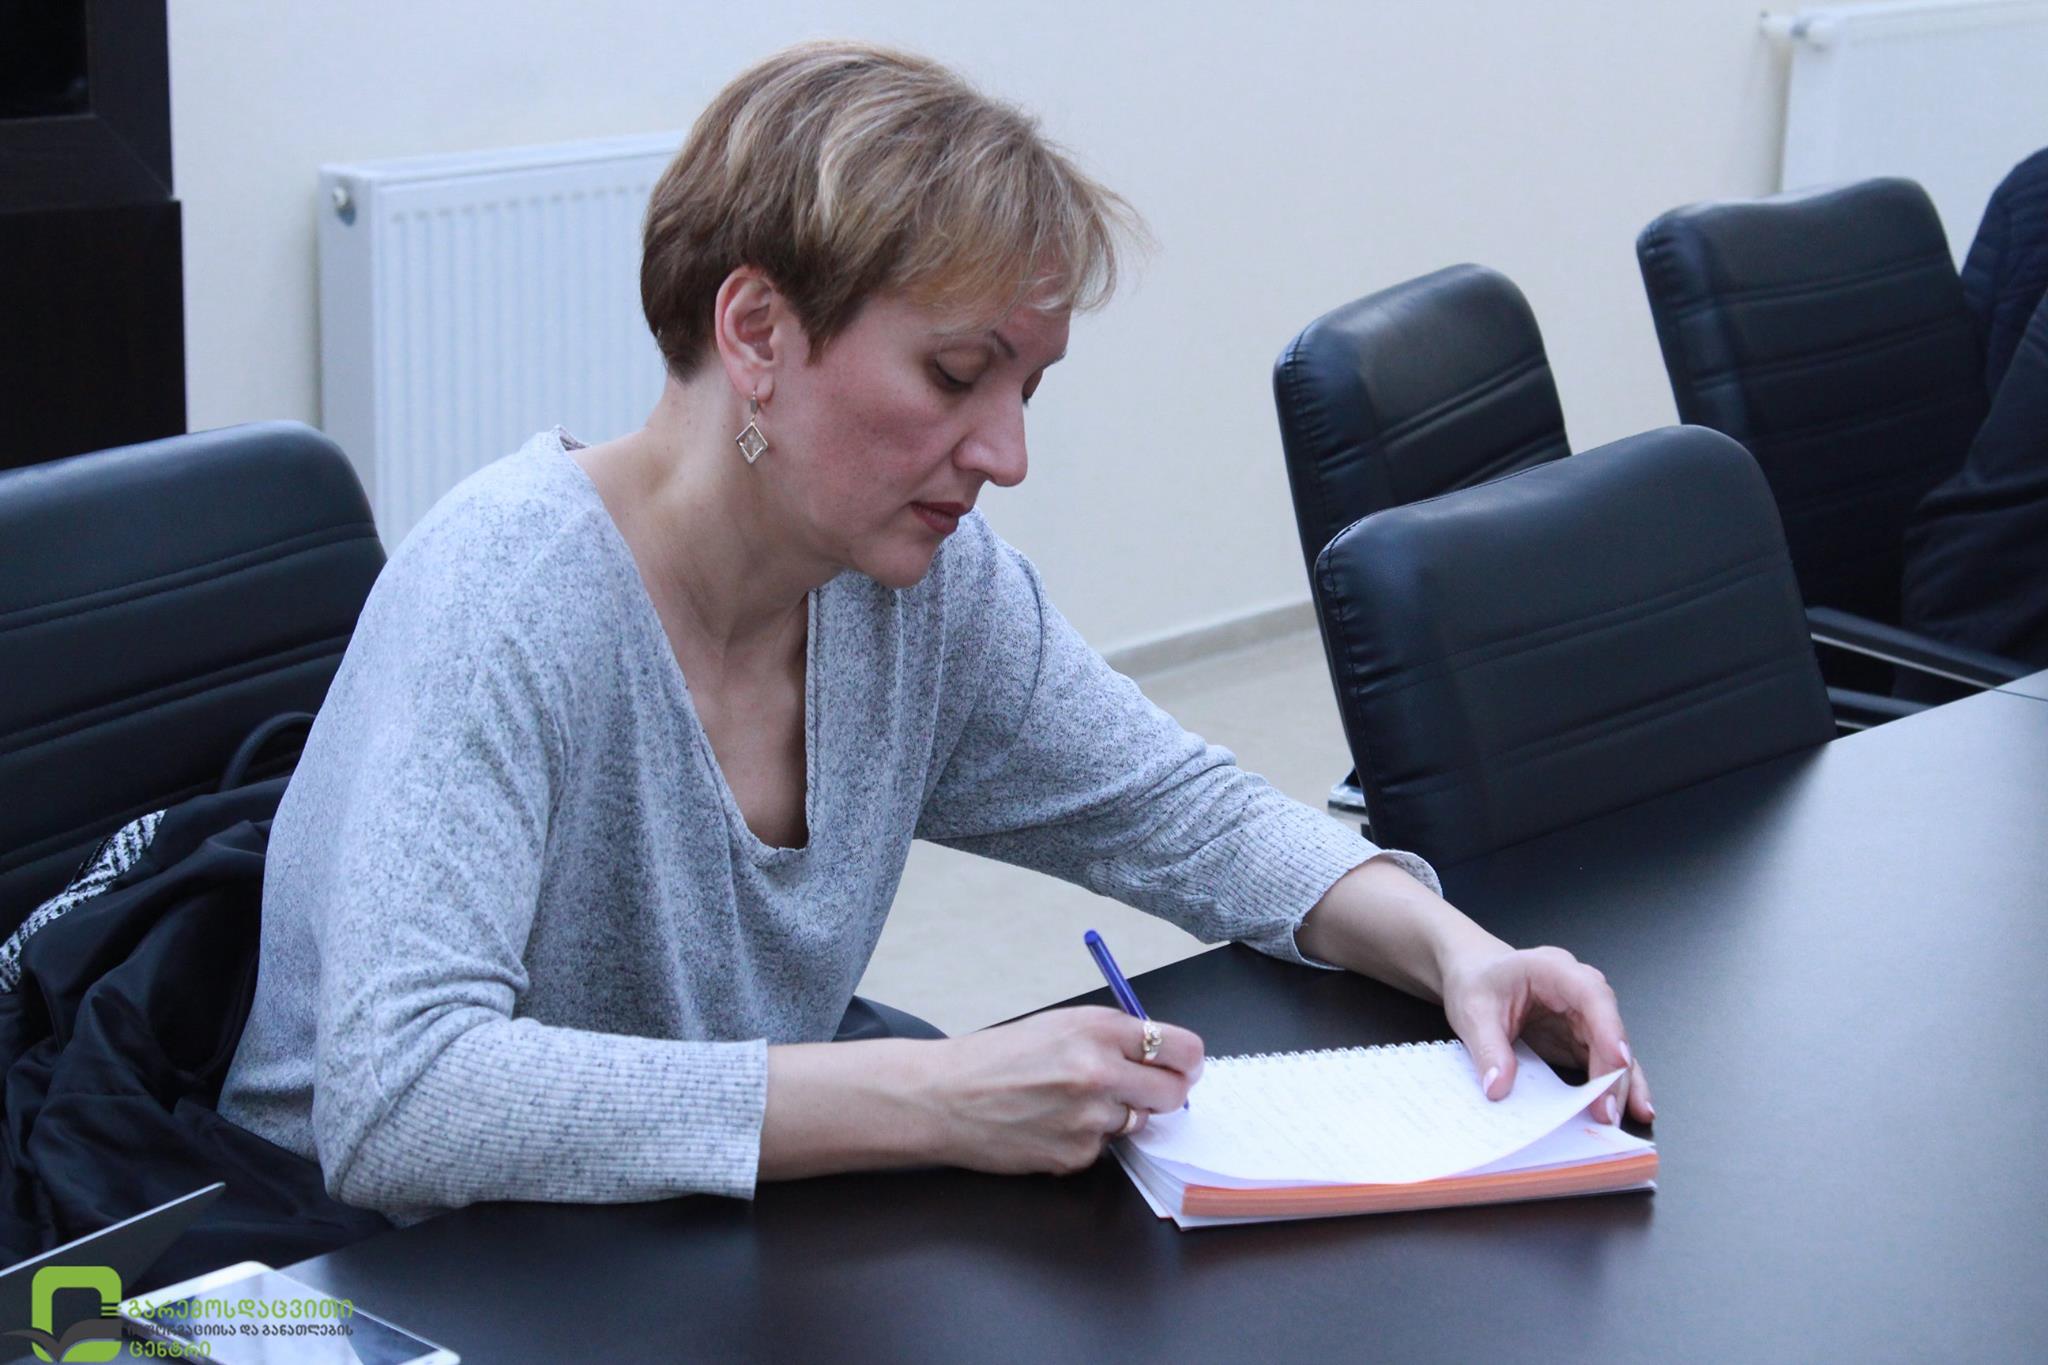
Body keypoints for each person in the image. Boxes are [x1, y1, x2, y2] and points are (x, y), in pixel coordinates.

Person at [218, 40, 1652, 1223]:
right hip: (389, 1273)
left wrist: (1453, 948)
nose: (1006, 454)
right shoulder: (508, 593)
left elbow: (1183, 812)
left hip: (668, 1234)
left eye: (1028, 388)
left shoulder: (916, 589)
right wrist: (933, 1092)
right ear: (757, 332)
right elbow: (400, 1104)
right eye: (959, 374)